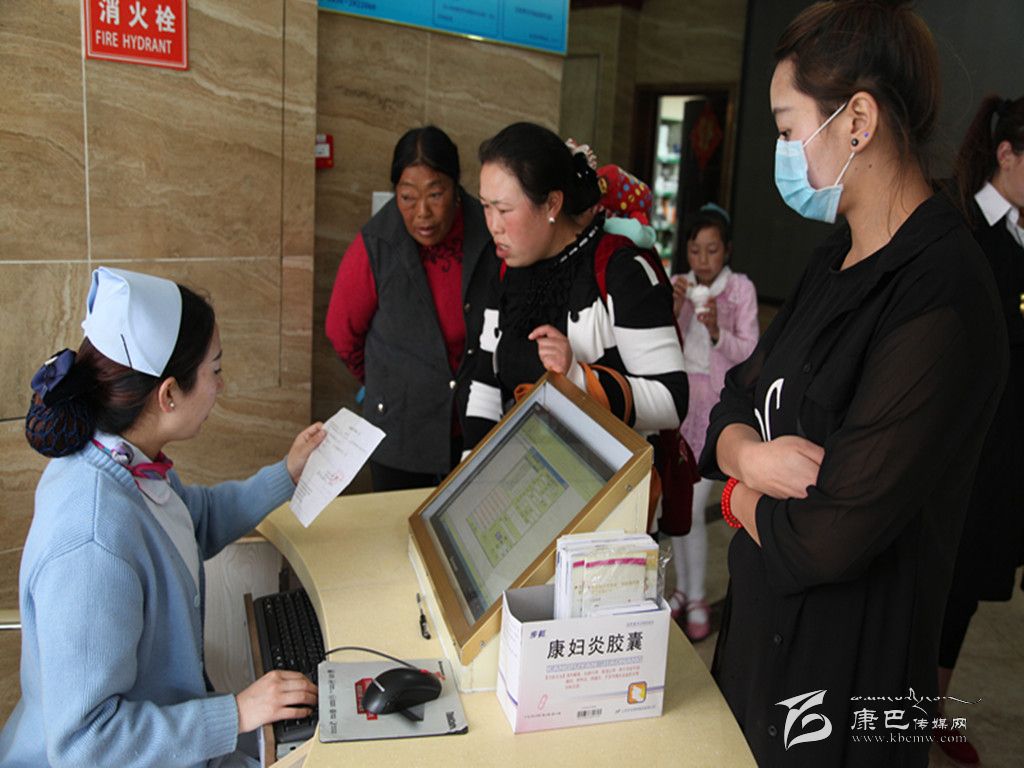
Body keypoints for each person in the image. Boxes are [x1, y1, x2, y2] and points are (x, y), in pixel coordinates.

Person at [698, 3, 1007, 766]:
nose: (783, 151)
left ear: (857, 121)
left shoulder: (942, 292)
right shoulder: (832, 257)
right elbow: (734, 400)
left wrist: (735, 496)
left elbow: (825, 541)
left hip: (847, 684)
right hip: (761, 644)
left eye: (787, 127)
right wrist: (750, 458)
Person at [1, 267, 323, 768]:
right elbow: (86, 744)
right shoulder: (92, 540)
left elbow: (192, 522)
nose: (221, 385)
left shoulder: (125, 459)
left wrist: (287, 473)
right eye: (215, 370)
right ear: (169, 394)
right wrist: (236, 712)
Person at [463, 122, 688, 528]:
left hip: (608, 512)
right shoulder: (507, 271)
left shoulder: (620, 269)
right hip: (524, 506)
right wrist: (467, 483)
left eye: (504, 210)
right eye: (485, 207)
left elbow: (672, 400)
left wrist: (577, 377)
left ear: (552, 204)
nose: (492, 224)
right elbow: (485, 383)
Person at [325, 126, 497, 491]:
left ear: (455, 187)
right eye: (407, 197)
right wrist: (389, 382)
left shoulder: (487, 230)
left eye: (435, 194)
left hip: (478, 423)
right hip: (400, 433)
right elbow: (342, 333)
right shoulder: (377, 243)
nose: (422, 213)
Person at [933, 94, 1024, 766]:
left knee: (965, 589)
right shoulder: (962, 226)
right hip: (961, 450)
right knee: (938, 580)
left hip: (1008, 451)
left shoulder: (1019, 233)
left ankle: (931, 708)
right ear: (1007, 154)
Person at [667, 204, 759, 641]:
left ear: (727, 250)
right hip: (681, 407)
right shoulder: (679, 286)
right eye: (695, 250)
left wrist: (718, 330)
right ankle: (684, 591)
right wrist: (676, 308)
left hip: (717, 408)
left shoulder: (740, 290)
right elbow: (664, 344)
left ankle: (698, 595)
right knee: (677, 506)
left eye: (712, 249)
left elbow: (751, 352)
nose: (703, 259)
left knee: (692, 505)